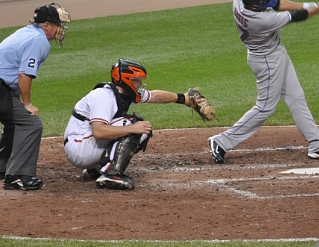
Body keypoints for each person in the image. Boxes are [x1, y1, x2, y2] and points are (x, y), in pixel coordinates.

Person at [208, 0, 319, 164]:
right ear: (255, 6)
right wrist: (316, 9)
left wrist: (307, 4)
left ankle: (317, 145)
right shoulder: (262, 21)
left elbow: (277, 3)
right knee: (265, 107)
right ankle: (221, 141)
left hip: (274, 53)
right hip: (266, 60)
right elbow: (297, 16)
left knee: (296, 97)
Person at [63, 59, 214, 189]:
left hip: (85, 144)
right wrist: (132, 128)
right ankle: (112, 174)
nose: (140, 83)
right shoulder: (104, 96)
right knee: (136, 125)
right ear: (126, 80)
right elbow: (99, 131)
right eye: (136, 80)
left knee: (138, 127)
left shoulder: (123, 93)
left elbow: (155, 96)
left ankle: (95, 170)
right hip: (79, 147)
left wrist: (183, 98)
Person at [0, 3, 71, 191]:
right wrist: (27, 103)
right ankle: (18, 176)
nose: (60, 29)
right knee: (31, 123)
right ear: (47, 25)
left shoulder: (27, 32)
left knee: (14, 121)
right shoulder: (38, 40)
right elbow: (24, 75)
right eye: (57, 24)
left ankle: (1, 168)